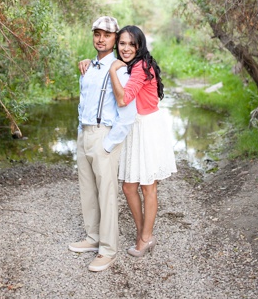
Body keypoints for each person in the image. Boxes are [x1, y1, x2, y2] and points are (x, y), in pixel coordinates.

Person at [69, 16, 136, 272]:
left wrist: (109, 144)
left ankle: (108, 250)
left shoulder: (121, 68)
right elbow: (83, 100)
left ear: (115, 38)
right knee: (87, 189)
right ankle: (92, 237)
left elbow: (127, 114)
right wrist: (79, 132)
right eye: (97, 33)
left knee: (107, 194)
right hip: (84, 133)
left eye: (106, 35)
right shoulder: (88, 67)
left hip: (104, 134)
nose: (100, 39)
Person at [108, 25, 177, 257]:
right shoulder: (132, 64)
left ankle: (145, 237)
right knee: (128, 186)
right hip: (134, 128)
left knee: (148, 186)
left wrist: (111, 70)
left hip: (146, 129)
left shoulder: (140, 66)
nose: (126, 48)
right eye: (122, 43)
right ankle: (143, 234)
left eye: (131, 44)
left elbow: (124, 99)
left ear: (139, 46)